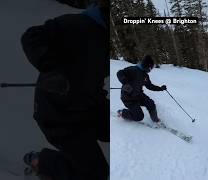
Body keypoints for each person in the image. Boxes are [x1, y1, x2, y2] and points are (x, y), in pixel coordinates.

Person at [21, 1, 108, 180]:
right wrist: (51, 70)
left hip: (87, 106)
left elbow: (93, 78)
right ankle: (41, 161)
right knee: (96, 173)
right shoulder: (77, 25)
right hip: (58, 114)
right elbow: (31, 37)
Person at [117, 55, 167, 124]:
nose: (150, 70)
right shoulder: (133, 70)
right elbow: (119, 73)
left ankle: (156, 120)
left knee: (151, 104)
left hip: (138, 95)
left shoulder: (145, 75)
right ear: (147, 66)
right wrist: (124, 81)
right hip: (128, 98)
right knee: (139, 117)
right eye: (150, 68)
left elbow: (149, 86)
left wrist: (160, 88)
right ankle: (122, 113)